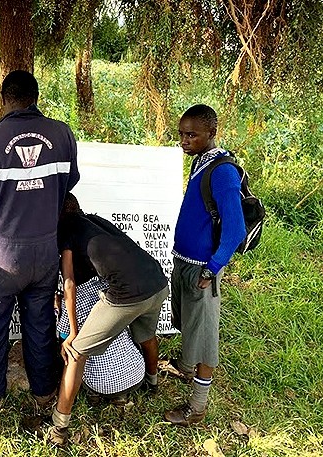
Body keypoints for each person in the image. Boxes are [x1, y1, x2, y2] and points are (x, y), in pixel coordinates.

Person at [0, 69, 80, 410]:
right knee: (39, 324)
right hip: (44, 251)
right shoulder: (62, 134)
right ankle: (43, 393)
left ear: (3, 99)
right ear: (35, 98)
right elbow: (69, 184)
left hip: (0, 255)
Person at [47, 193, 169, 445]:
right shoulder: (95, 220)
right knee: (146, 336)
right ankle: (152, 382)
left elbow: (69, 283)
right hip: (157, 281)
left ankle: (59, 428)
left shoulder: (66, 230)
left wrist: (72, 332)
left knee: (76, 353)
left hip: (127, 293)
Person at [164, 104, 246, 426]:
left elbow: (235, 229)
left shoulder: (223, 171)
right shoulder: (201, 162)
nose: (184, 141)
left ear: (211, 133)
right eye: (182, 134)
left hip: (202, 270)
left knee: (206, 336)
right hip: (185, 262)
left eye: (192, 135)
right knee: (187, 323)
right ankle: (186, 366)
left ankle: (197, 407)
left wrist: (212, 269)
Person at [57, 277, 145, 405]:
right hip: (136, 374)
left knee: (73, 353)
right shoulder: (114, 287)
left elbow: (65, 339)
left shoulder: (72, 299)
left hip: (100, 382)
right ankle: (121, 395)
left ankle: (92, 393)